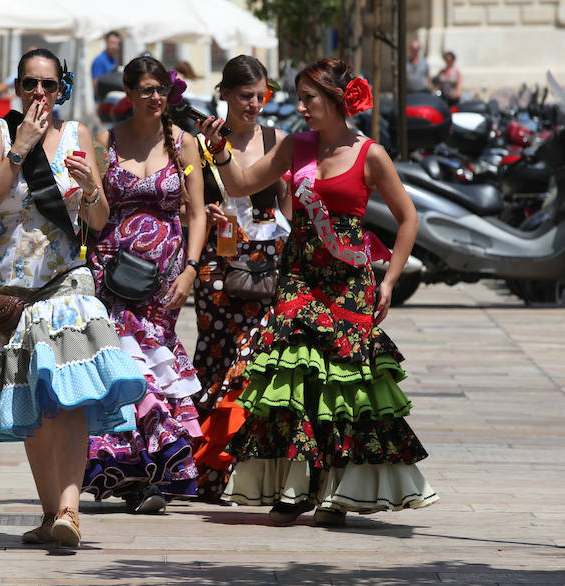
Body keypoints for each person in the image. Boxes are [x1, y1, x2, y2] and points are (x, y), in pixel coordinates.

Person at [199, 57, 437, 526]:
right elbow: (244, 184)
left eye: (309, 97)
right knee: (293, 380)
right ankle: (293, 486)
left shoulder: (370, 154)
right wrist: (220, 149)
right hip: (299, 278)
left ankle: (335, 492)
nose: (301, 106)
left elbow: (408, 219)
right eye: (301, 97)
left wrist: (389, 280)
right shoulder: (297, 145)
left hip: (348, 284)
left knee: (343, 386)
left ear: (334, 98)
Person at [0, 48, 147, 548]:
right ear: (18, 86)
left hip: (65, 285)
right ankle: (50, 513)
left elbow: (97, 221)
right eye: (29, 84)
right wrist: (18, 149)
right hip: (10, 294)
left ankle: (70, 510)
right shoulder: (0, 133)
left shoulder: (78, 137)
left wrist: (93, 189)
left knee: (68, 398)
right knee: (30, 400)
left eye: (48, 85)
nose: (38, 94)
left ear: (62, 88)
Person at [82, 56, 207, 513]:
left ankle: (155, 469)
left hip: (165, 276)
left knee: (154, 363)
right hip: (111, 272)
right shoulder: (105, 140)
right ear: (129, 94)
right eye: (147, 90)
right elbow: (92, 208)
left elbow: (196, 212)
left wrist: (192, 268)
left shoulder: (184, 144)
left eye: (162, 90)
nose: (156, 98)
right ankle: (131, 472)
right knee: (123, 367)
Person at [190, 55, 292, 503]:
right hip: (217, 261)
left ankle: (244, 468)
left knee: (253, 361)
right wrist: (209, 217)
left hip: (267, 261)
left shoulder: (277, 139)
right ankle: (206, 472)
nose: (254, 104)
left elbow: (289, 199)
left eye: (261, 96)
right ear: (225, 94)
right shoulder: (201, 143)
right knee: (215, 358)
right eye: (246, 95)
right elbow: (185, 205)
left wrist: (283, 239)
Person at [92, 31, 122, 98]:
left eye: (118, 44)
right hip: (103, 102)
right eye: (112, 43)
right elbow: (95, 85)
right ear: (106, 43)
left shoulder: (114, 60)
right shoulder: (99, 60)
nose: (115, 46)